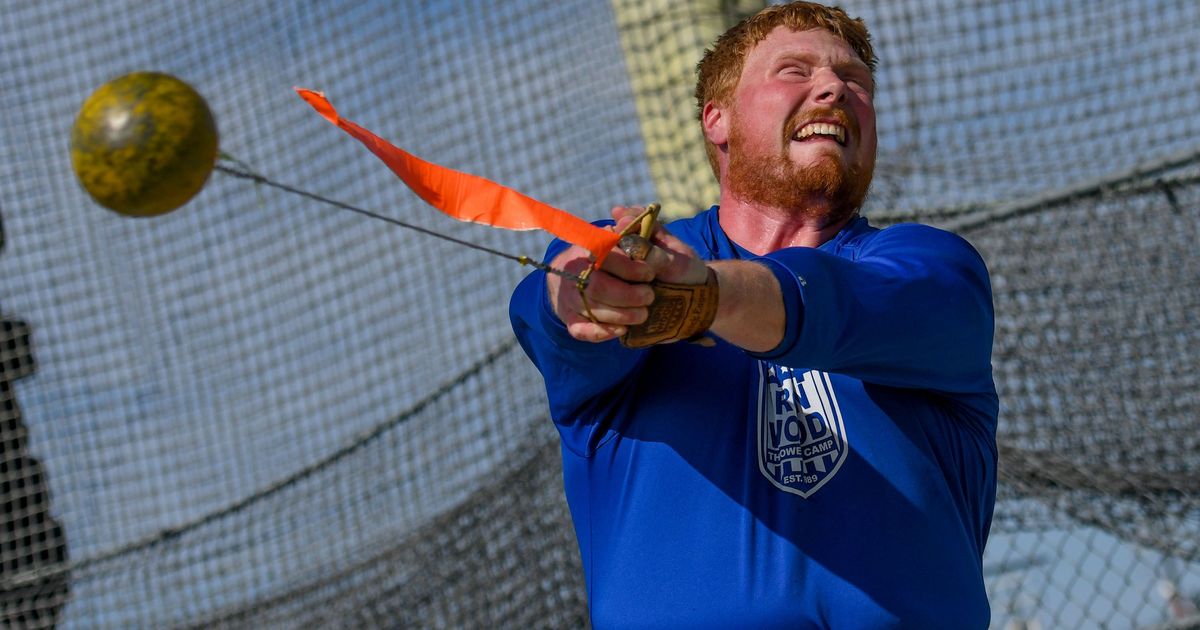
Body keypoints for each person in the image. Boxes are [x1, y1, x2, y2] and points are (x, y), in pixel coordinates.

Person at [509, 2, 998, 627]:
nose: (832, 89)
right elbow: (554, 315)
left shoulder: (932, 268)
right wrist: (581, 291)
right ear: (718, 119)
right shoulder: (647, 256)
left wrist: (711, 298)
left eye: (855, 82)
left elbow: (851, 302)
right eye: (794, 70)